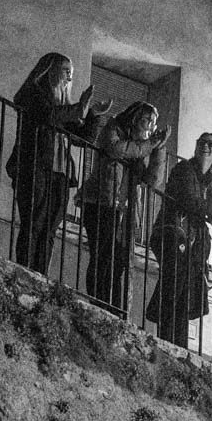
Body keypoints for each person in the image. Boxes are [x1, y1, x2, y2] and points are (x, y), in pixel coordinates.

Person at [7, 53, 110, 275]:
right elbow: (48, 115)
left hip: (60, 173)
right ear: (50, 70)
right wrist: (80, 106)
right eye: (66, 71)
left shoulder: (63, 107)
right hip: (35, 167)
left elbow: (83, 139)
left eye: (71, 73)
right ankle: (24, 272)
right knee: (34, 223)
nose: (69, 78)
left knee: (50, 229)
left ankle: (39, 276)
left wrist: (93, 115)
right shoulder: (33, 93)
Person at [146, 133, 212, 349]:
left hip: (191, 240)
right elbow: (190, 201)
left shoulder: (210, 182)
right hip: (173, 233)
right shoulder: (184, 169)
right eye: (202, 142)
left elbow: (208, 209)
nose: (205, 146)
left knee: (185, 292)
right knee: (174, 284)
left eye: (211, 144)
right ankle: (166, 340)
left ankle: (179, 345)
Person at [80, 101, 167, 312]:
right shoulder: (114, 127)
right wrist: (150, 144)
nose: (150, 125)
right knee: (102, 255)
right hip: (101, 202)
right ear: (134, 117)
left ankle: (115, 310)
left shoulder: (145, 147)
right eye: (147, 119)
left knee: (119, 261)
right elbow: (116, 149)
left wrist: (160, 148)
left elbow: (152, 180)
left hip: (125, 209)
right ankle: (98, 302)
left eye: (153, 122)